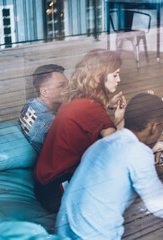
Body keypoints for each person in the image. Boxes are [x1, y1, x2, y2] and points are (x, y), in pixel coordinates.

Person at [56, 93, 163, 239]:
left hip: (64, 231)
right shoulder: (138, 153)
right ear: (153, 127)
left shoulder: (101, 144)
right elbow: (162, 208)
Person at [34, 49, 126, 213]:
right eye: (115, 75)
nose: (119, 79)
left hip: (45, 183)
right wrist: (119, 119)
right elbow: (115, 151)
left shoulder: (78, 97)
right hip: (58, 188)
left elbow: (90, 119)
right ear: (99, 77)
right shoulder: (92, 108)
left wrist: (107, 106)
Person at [19, 64, 68, 154]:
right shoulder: (50, 124)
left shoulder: (31, 103)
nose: (68, 89)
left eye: (68, 84)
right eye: (61, 86)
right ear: (44, 92)